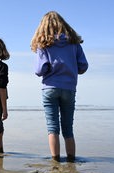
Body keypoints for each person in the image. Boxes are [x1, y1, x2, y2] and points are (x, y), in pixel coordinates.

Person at [30, 11, 88, 162]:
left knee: (52, 127)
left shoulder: (43, 44)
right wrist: (71, 68)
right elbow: (83, 66)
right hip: (69, 88)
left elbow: (39, 70)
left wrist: (50, 69)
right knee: (68, 128)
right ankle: (71, 161)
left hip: (50, 87)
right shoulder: (73, 43)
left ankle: (55, 161)